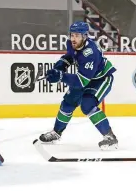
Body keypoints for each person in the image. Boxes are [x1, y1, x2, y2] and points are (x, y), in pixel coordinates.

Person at [39, 21, 118, 150]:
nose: (73, 38)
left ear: (84, 36)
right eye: (72, 35)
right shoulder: (71, 43)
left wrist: (60, 76)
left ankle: (110, 137)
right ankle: (56, 133)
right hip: (85, 77)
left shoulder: (90, 53)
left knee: (87, 105)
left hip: (101, 79)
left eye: (77, 35)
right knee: (68, 103)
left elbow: (82, 82)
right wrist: (60, 66)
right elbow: (70, 56)